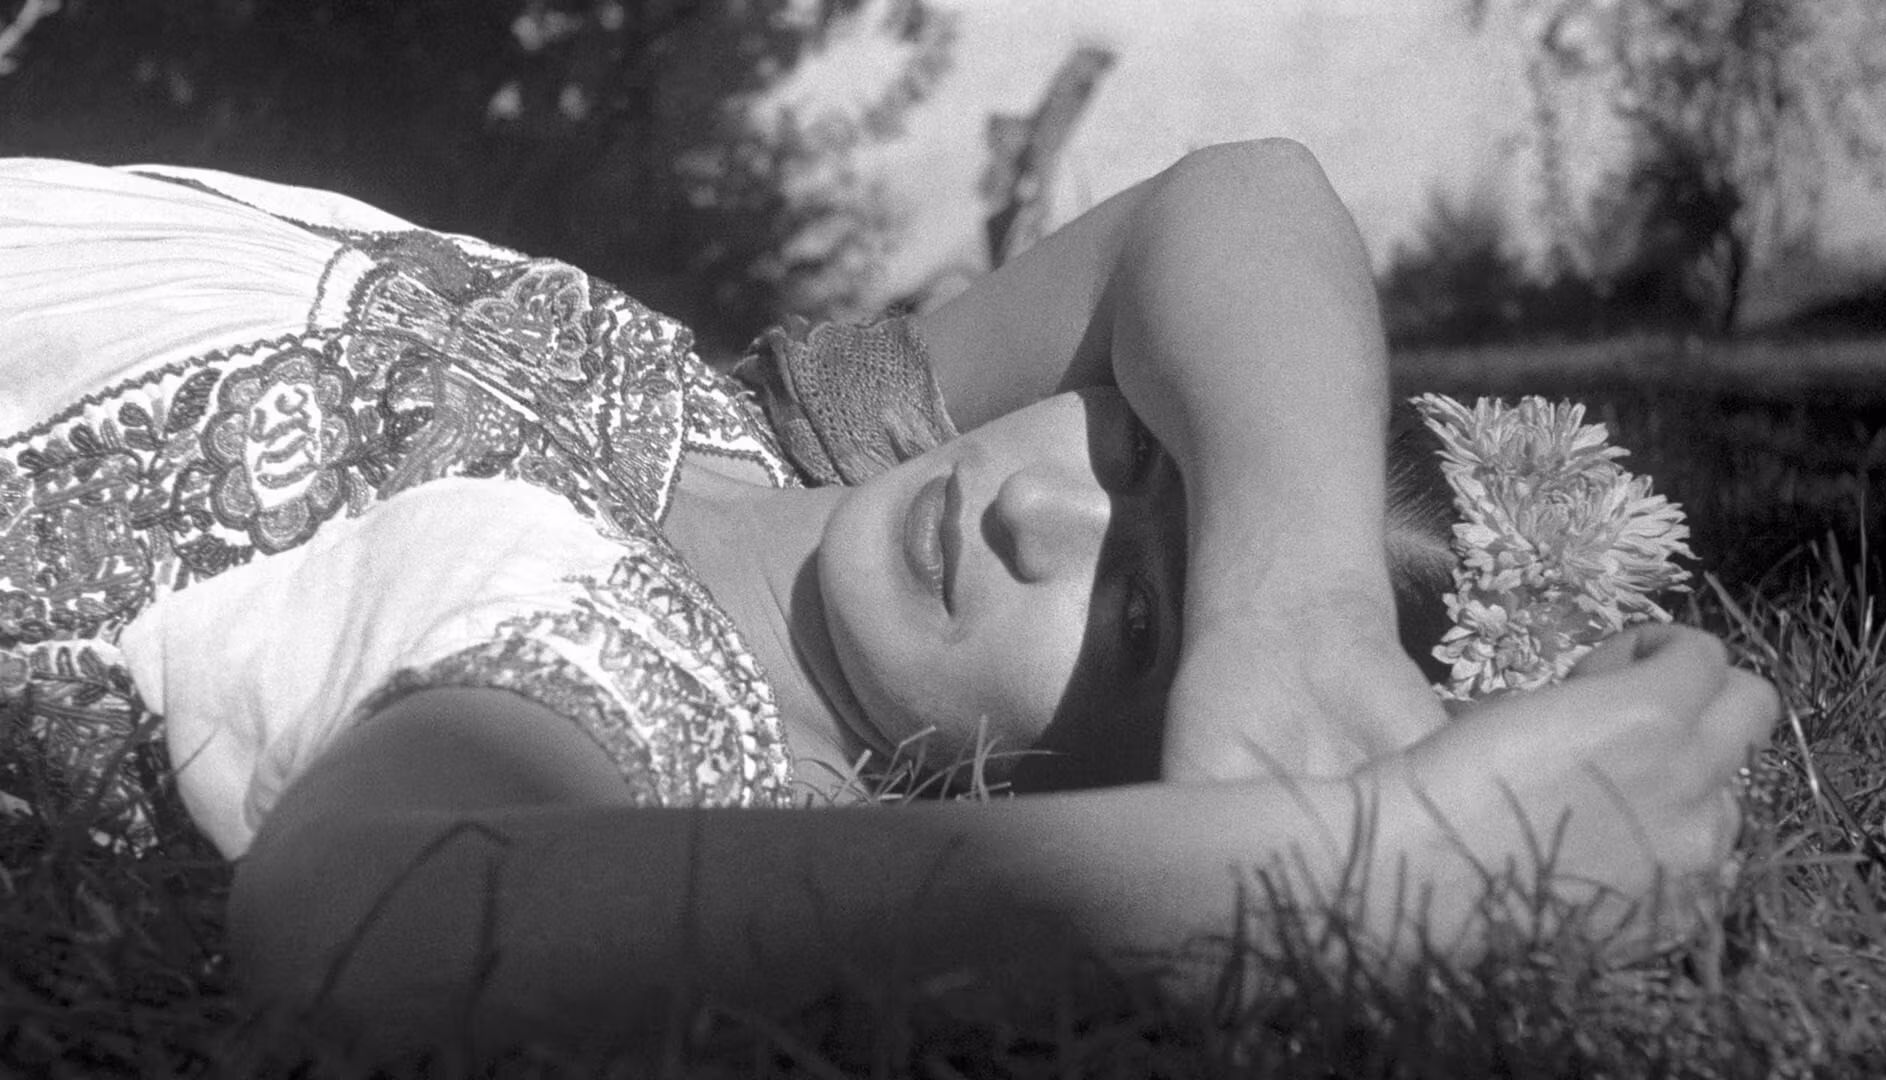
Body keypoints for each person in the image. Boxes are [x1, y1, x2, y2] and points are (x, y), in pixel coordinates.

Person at [0, 139, 1777, 1053]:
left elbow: (368, 932)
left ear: (1109, 790)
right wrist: (1285, 603)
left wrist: (1350, 877)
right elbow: (1239, 198)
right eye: (1146, 453)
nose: (1044, 515)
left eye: (1136, 622)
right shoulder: (766, 444)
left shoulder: (615, 670)